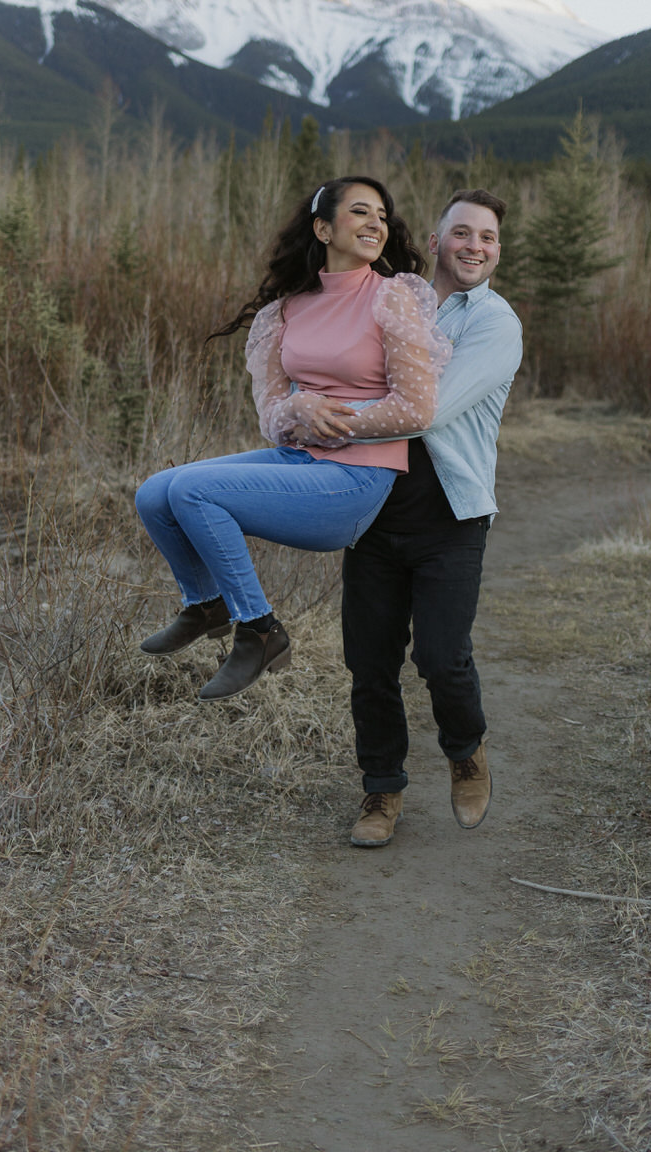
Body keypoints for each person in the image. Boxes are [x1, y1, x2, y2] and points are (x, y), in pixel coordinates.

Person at [134, 177, 450, 701]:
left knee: (194, 491)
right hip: (297, 458)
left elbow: (417, 408)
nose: (377, 223)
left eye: (382, 215)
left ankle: (260, 631)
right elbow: (272, 416)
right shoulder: (287, 310)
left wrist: (336, 418)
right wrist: (296, 408)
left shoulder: (392, 299)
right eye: (360, 212)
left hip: (356, 478)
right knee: (154, 493)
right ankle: (205, 603)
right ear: (323, 228)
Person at [336, 189, 522, 847]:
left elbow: (428, 407)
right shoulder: (388, 299)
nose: (475, 246)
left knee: (442, 659)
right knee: (370, 662)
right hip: (372, 510)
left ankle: (464, 749)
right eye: (463, 233)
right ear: (438, 240)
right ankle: (380, 792)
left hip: (451, 517)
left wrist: (334, 418)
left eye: (488, 237)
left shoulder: (495, 323)